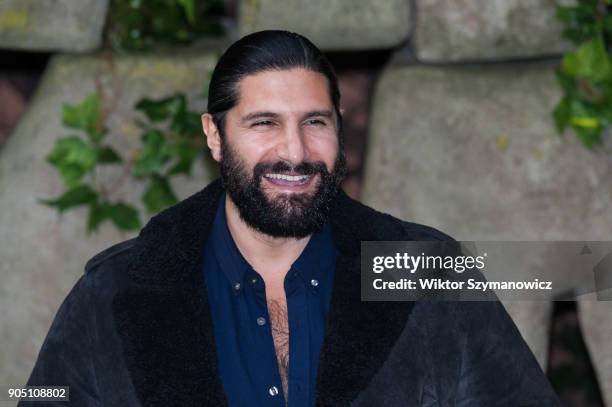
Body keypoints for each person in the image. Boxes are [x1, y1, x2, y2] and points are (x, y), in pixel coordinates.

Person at [21, 30, 559, 406]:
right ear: (214, 134)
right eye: (264, 123)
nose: (296, 151)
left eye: (315, 122)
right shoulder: (114, 293)